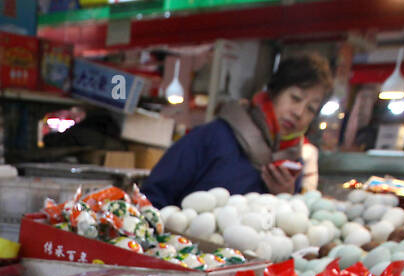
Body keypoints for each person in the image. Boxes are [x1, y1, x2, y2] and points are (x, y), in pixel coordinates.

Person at [141, 52, 333, 208]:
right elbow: (153, 195)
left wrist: (284, 198)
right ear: (274, 93)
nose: (299, 113)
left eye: (310, 109)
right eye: (295, 98)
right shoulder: (214, 137)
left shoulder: (291, 167)